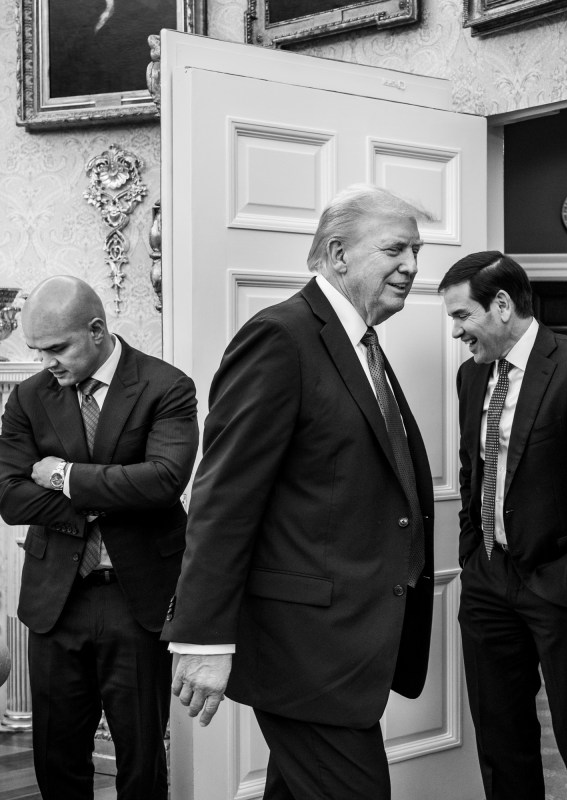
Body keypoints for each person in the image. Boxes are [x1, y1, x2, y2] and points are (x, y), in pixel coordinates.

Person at [163, 185, 435, 800]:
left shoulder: (361, 343)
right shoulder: (281, 338)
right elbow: (223, 497)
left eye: (416, 251)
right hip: (306, 650)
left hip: (347, 643)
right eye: (396, 248)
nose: (413, 266)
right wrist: (204, 638)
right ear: (337, 253)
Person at [440, 251, 567, 800]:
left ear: (501, 304)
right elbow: (473, 468)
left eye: (462, 316)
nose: (457, 332)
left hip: (562, 582)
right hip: (487, 581)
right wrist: (472, 551)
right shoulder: (471, 377)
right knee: (500, 737)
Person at [0, 276, 199, 800]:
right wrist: (115, 489)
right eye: (38, 349)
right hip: (55, 600)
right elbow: (11, 497)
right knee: (56, 758)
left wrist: (63, 476)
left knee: (141, 757)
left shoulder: (166, 386)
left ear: (97, 329)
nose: (47, 362)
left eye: (57, 348)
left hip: (139, 598)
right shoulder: (29, 397)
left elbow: (164, 481)